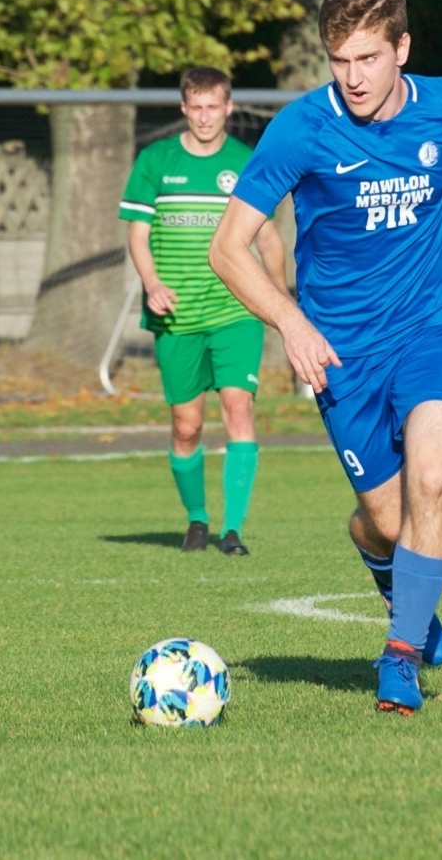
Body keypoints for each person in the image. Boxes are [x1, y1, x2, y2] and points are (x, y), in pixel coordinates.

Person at [210, 0, 442, 715]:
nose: (352, 77)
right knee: (384, 518)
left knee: (432, 478)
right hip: (340, 349)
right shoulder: (301, 129)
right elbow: (228, 248)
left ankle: (401, 654)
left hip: (433, 323)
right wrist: (290, 320)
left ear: (402, 48)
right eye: (339, 60)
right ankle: (397, 581)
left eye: (368, 58)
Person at [118, 67, 289, 556]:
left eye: (214, 106)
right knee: (186, 424)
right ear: (184, 109)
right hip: (177, 315)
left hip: (235, 310)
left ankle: (232, 530)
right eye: (196, 106)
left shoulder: (245, 162)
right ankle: (197, 518)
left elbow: (268, 237)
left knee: (238, 407)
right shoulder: (156, 161)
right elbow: (137, 233)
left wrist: (280, 304)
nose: (205, 116)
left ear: (228, 108)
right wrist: (151, 283)